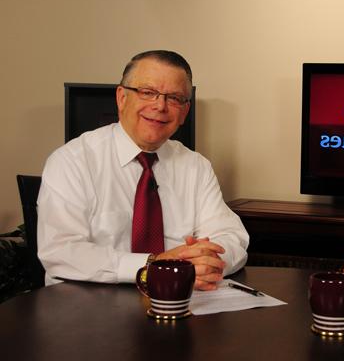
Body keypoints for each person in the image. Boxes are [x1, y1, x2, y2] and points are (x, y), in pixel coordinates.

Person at [38, 50, 249, 291]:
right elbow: (61, 252)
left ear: (184, 112)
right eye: (148, 93)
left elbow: (231, 237)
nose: (160, 106)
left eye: (174, 98)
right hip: (89, 307)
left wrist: (207, 262)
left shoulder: (196, 166)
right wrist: (154, 265)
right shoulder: (72, 161)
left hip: (178, 303)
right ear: (121, 98)